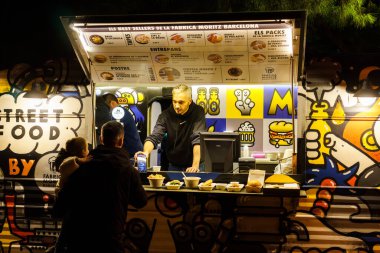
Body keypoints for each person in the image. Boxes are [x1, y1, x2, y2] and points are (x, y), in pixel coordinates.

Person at [53, 121, 147, 253]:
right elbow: (141, 201)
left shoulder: (83, 165)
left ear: (101, 139)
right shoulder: (129, 170)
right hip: (110, 239)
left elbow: (62, 203)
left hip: (80, 239)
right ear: (121, 141)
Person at [135, 84, 206, 172]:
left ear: (189, 101)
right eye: (174, 101)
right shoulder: (165, 115)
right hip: (174, 165)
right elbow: (155, 136)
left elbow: (197, 139)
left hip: (195, 164)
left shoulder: (198, 112)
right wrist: (145, 153)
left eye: (181, 102)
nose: (176, 106)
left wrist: (195, 166)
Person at [95, 93, 143, 158]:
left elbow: (114, 133)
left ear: (113, 103)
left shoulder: (120, 112)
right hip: (130, 152)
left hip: (131, 154)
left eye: (107, 107)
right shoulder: (123, 112)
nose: (108, 111)